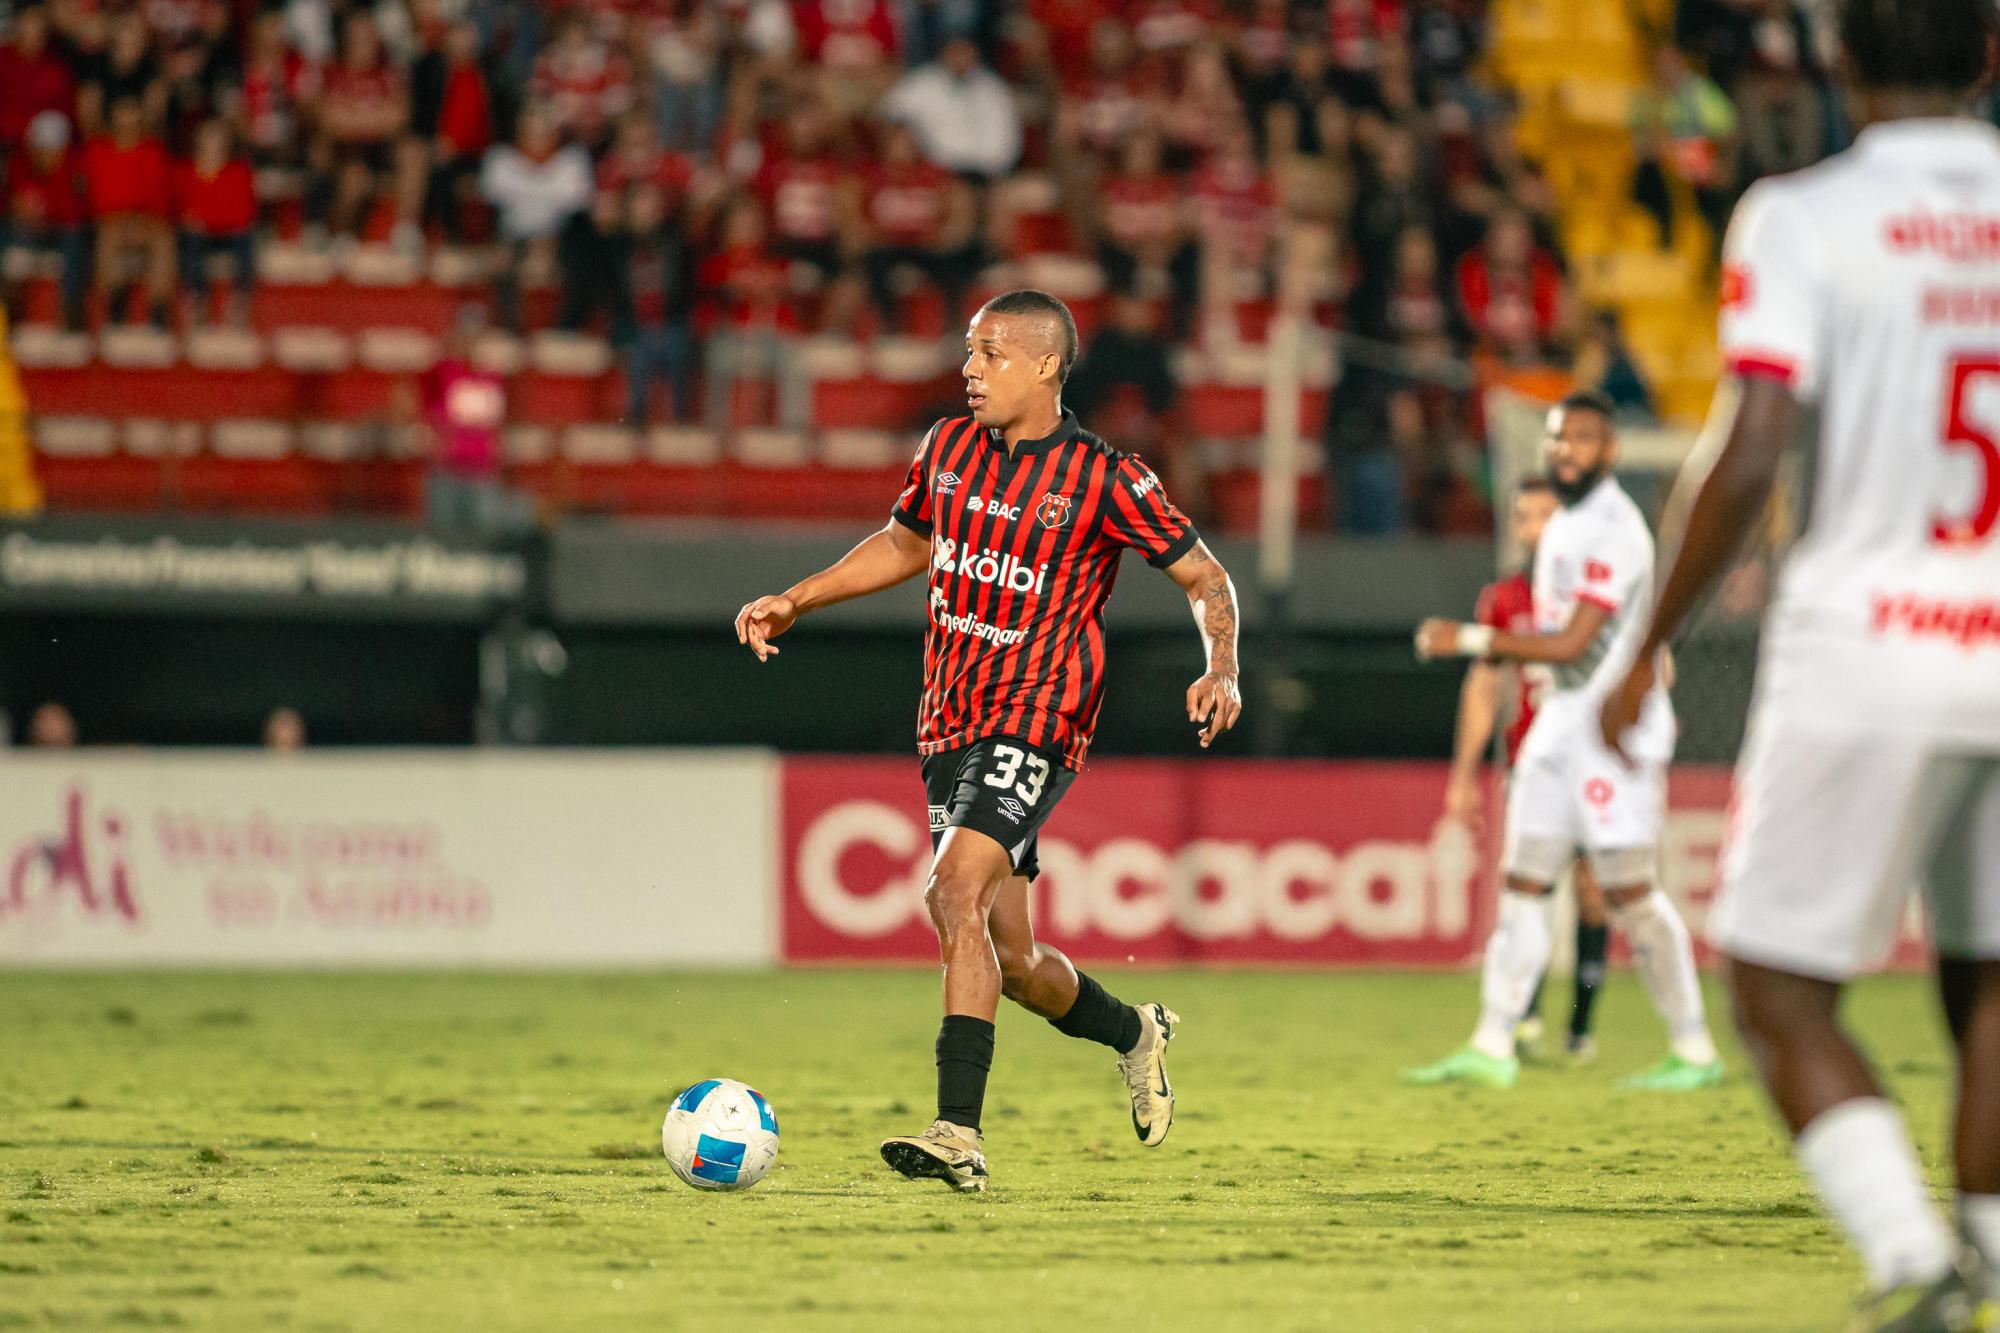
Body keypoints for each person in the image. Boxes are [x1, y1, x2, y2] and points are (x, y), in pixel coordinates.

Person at [1599, 1, 2000, 1322]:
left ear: (1836, 60)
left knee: (1777, 983)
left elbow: (1756, 440)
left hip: (1873, 640)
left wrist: (1650, 636)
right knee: (1992, 972)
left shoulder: (1804, 213)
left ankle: (1912, 1260)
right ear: (1991, 53)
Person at [733, 289, 1242, 1192]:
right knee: (1016, 963)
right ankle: (1137, 1032)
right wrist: (796, 597)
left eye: (991, 353)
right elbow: (901, 545)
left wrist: (1222, 665)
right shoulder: (947, 448)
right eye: (969, 353)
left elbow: (1205, 576)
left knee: (950, 888)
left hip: (1041, 714)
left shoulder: (1107, 477)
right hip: (949, 718)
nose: (970, 369)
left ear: (1046, 365)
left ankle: (958, 1132)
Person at [1406, 390, 1722, 1092]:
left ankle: (1695, 1047)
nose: (1564, 449)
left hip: (1612, 732)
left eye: (1581, 438)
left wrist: (1474, 637)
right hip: (1558, 725)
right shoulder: (1565, 527)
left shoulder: (1616, 529)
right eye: (1557, 438)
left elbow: (1576, 642)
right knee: (1522, 882)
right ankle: (1492, 1042)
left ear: (1609, 450)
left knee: (1631, 893)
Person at [1442, 478, 1608, 1063]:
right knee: (1528, 886)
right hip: (1531, 764)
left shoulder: (1600, 587)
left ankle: (1581, 1028)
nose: (1535, 526)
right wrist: (1464, 774)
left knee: (1593, 892)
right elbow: (1484, 686)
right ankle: (1527, 1015)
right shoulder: (1506, 598)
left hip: (1599, 765)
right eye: (1524, 516)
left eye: (1546, 514)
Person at [83, 96, 174, 330]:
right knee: (109, 234)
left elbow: (158, 196)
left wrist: (140, 219)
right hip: (111, 221)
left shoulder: (152, 151)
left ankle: (158, 309)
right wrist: (121, 217)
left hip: (144, 220)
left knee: (163, 238)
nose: (127, 124)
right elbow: (97, 197)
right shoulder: (98, 150)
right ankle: (114, 303)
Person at [3, 111, 90, 332]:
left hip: (61, 236)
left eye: (51, 150)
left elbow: (73, 217)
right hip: (27, 233)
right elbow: (13, 208)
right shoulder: (19, 166)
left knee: (75, 239)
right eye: (40, 148)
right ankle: (5, 315)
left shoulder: (72, 169)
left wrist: (41, 212)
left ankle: (70, 313)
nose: (45, 155)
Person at [174, 119, 257, 328]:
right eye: (208, 138)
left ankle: (239, 301)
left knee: (247, 239)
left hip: (231, 235)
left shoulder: (238, 171)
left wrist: (206, 218)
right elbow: (182, 211)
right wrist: (208, 217)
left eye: (217, 138)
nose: (212, 144)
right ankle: (197, 300)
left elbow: (243, 213)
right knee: (190, 239)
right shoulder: (186, 171)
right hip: (199, 236)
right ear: (198, 142)